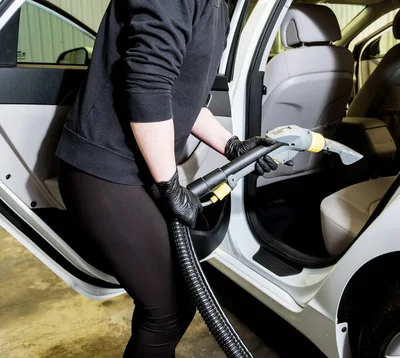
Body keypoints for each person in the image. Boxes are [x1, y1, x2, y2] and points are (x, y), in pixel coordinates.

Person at [54, 0, 277, 356]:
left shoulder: (218, 6)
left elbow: (183, 97)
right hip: (104, 170)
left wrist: (232, 145)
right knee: (166, 313)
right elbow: (148, 83)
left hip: (138, 168)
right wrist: (169, 183)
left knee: (176, 303)